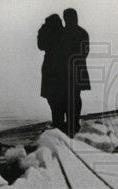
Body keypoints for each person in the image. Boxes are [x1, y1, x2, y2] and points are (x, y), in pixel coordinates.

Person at [61, 8, 90, 138]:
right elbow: (85, 51)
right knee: (76, 96)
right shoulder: (83, 32)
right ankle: (75, 122)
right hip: (78, 68)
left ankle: (70, 123)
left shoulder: (62, 33)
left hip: (66, 70)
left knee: (67, 97)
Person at [37, 14, 68, 132]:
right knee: (61, 96)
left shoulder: (45, 30)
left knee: (53, 97)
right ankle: (61, 122)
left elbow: (40, 46)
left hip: (50, 66)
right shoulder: (63, 31)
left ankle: (58, 122)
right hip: (61, 66)